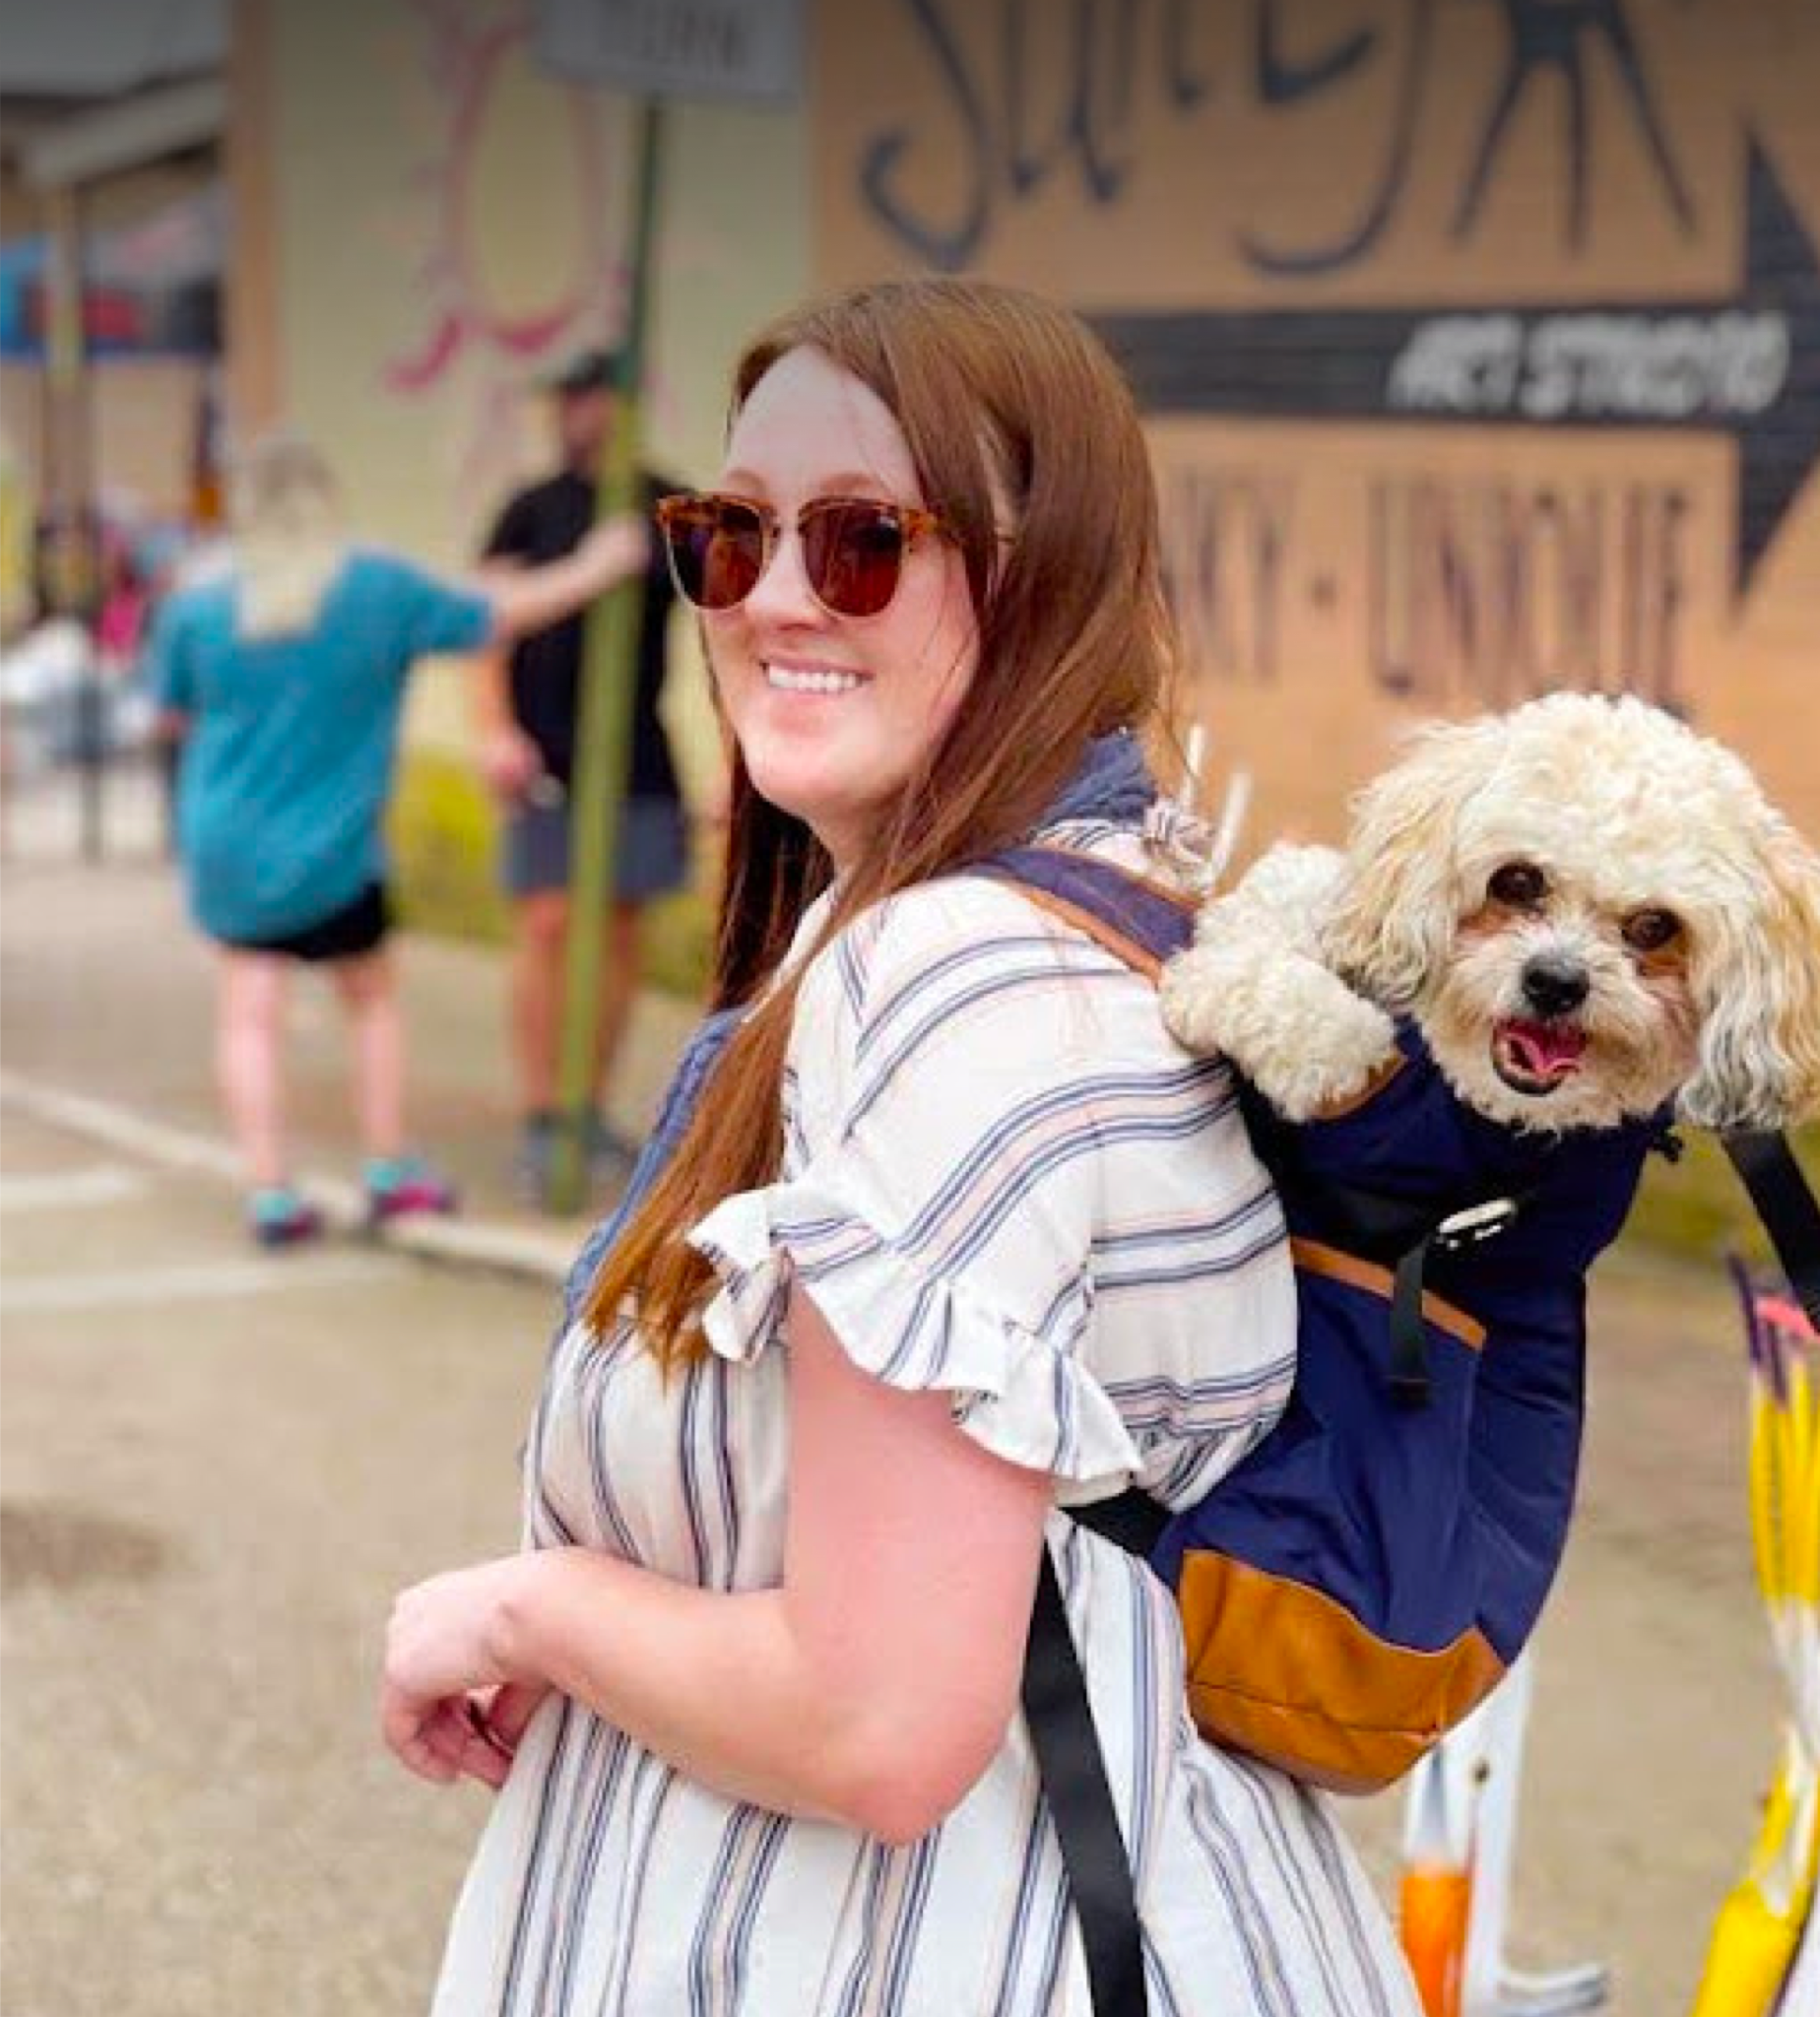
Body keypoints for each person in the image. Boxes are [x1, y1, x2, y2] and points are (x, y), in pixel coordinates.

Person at [382, 279, 1421, 2016]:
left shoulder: (938, 982)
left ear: (1044, 573)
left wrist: (527, 1609)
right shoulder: (1100, 897)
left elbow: (872, 1720)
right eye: (729, 537)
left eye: (863, 542)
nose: (776, 596)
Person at [147, 434, 645, 1247]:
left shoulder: (197, 607)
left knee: (248, 1013)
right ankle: (386, 1168)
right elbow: (497, 615)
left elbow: (169, 714)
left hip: (227, 842)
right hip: (337, 852)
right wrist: (598, 564)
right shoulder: (375, 587)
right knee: (371, 999)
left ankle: (270, 1191)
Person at [473, 348, 690, 1203]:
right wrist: (493, 730)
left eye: (586, 396)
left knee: (621, 928)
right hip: (546, 752)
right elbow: (482, 628)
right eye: (565, 399)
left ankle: (589, 1105)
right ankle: (541, 1113)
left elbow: (727, 632)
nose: (572, 414)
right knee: (548, 922)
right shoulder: (530, 511)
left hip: (637, 751)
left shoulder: (669, 507)